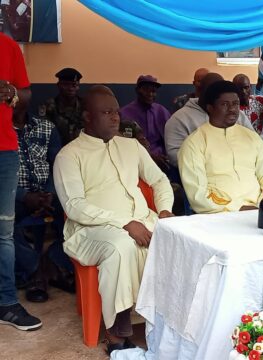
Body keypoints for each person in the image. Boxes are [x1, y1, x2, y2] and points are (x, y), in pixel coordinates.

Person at [53, 85, 174, 353]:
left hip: (144, 219)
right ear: (87, 117)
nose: (115, 118)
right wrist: (124, 222)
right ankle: (117, 334)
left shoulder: (131, 147)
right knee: (121, 246)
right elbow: (74, 206)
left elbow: (159, 180)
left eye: (116, 112)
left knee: (179, 239)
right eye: (106, 112)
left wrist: (164, 211)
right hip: (90, 230)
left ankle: (170, 323)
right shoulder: (69, 155)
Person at [178, 81, 263, 214]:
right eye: (225, 104)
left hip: (260, 212)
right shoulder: (193, 144)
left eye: (235, 103)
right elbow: (198, 194)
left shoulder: (251, 138)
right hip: (218, 216)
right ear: (210, 107)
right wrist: (237, 209)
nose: (232, 109)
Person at [13, 93, 75, 303]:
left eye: (19, 90)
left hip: (48, 194)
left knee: (78, 214)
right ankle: (36, 268)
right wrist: (24, 196)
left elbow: (58, 164)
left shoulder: (46, 127)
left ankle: (54, 260)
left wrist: (50, 193)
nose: (12, 96)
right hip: (12, 196)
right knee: (3, 226)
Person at [0, 32, 42, 331]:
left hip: (4, 150)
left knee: (3, 232)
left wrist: (10, 91)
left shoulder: (7, 45)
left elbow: (25, 95)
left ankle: (6, 302)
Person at [165, 73, 254, 168]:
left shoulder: (238, 115)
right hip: (198, 173)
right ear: (200, 91)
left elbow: (253, 142)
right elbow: (176, 157)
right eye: (213, 93)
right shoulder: (179, 119)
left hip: (241, 169)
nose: (218, 96)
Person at [120, 75, 171, 172]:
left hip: (163, 159)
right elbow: (124, 145)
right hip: (135, 159)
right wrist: (149, 157)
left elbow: (169, 139)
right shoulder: (124, 113)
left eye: (153, 91)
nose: (150, 94)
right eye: (146, 90)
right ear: (137, 90)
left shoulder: (162, 111)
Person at [40, 67, 84, 145]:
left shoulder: (85, 105)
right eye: (66, 84)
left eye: (74, 85)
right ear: (59, 85)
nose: (70, 88)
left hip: (81, 149)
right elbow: (44, 134)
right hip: (56, 149)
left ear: (78, 86)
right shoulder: (48, 107)